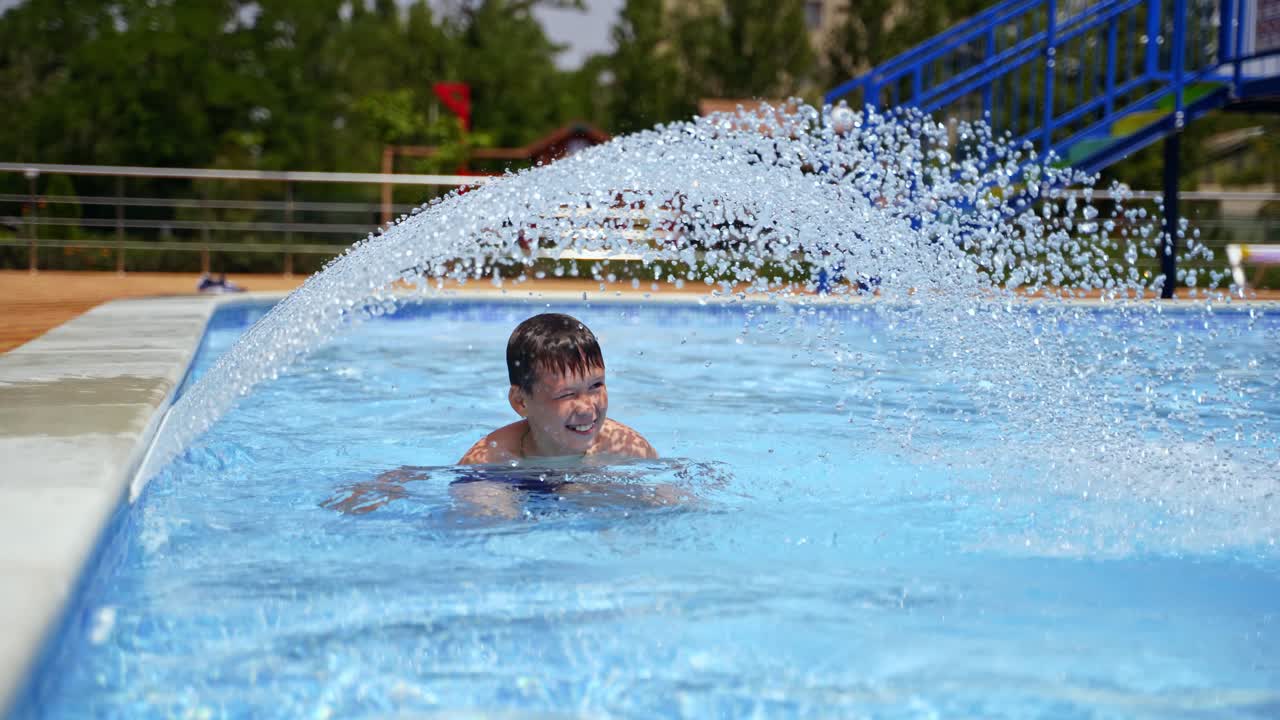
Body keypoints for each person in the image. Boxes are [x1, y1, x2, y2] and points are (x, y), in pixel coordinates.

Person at [459, 312, 657, 464]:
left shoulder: (627, 450)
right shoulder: (490, 460)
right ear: (520, 402)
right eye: (567, 394)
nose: (587, 408)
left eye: (596, 385)